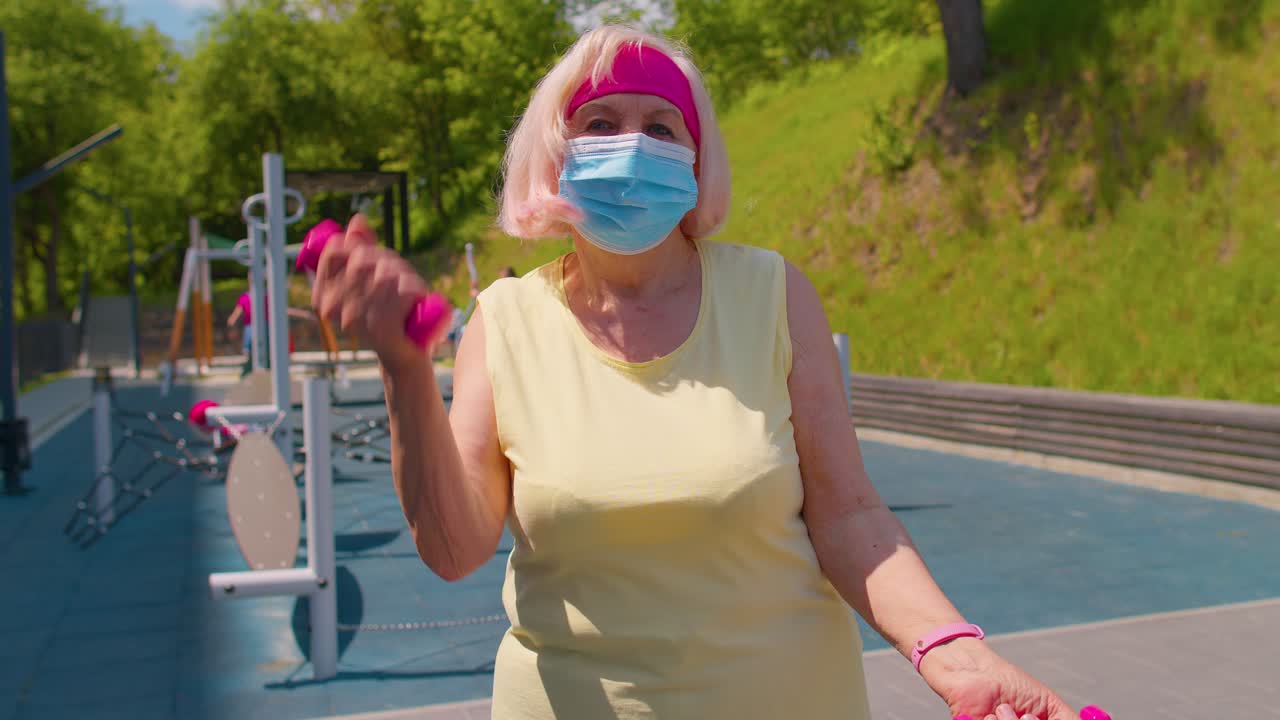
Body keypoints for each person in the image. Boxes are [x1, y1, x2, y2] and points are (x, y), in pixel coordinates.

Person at [311, 25, 1085, 720]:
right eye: (601, 123)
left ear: (696, 155)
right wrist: (404, 369)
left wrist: (957, 654)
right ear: (555, 152)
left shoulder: (772, 293)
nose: (632, 145)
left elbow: (850, 517)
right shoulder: (506, 322)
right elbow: (453, 549)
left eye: (660, 126)